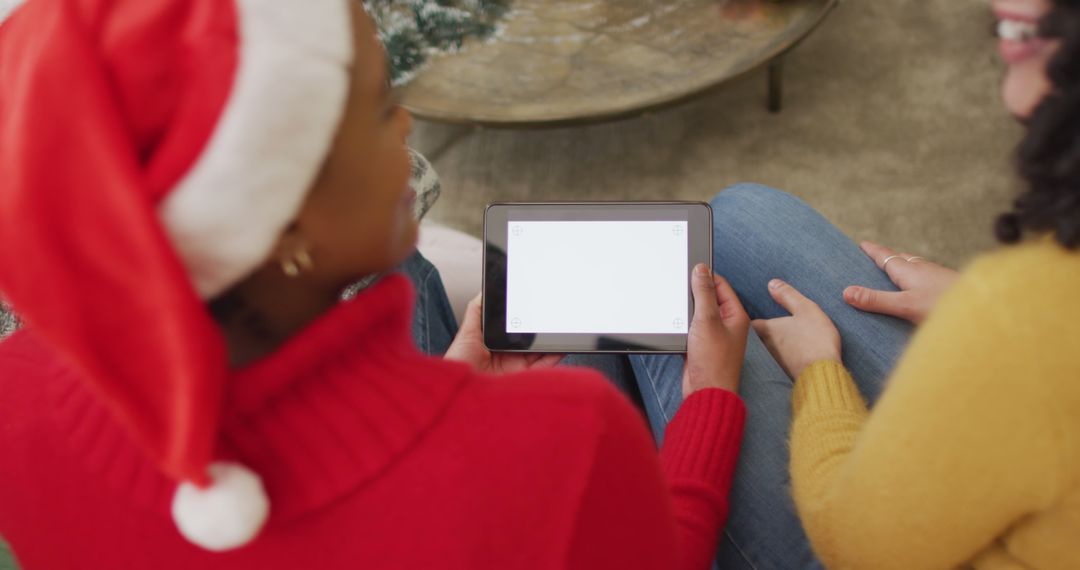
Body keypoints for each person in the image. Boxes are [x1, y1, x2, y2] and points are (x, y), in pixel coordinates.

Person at [0, 0, 750, 568]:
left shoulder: (13, 398)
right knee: (745, 222)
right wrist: (709, 399)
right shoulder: (569, 438)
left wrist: (442, 396)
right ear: (284, 220)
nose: (406, 128)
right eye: (379, 107)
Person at [632, 0, 1080, 567]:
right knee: (743, 213)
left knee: (664, 292)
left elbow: (857, 547)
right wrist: (977, 308)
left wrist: (820, 374)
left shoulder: (1024, 308)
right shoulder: (1029, 308)